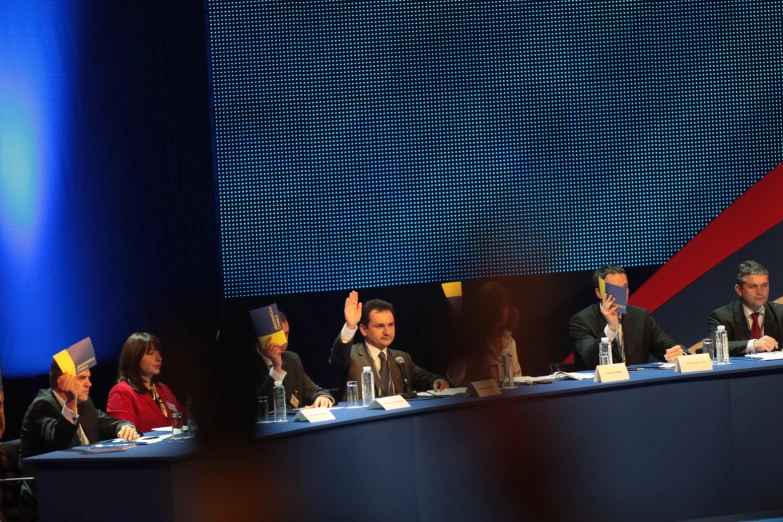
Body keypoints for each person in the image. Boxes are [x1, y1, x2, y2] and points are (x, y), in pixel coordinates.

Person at [19, 361, 138, 521]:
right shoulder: (40, 407)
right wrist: (70, 402)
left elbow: (105, 421)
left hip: (84, 485)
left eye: (88, 377)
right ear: (62, 381)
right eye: (82, 378)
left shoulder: (85, 404)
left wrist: (124, 426)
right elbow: (58, 441)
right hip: (50, 494)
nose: (89, 383)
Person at [330, 292, 449, 400]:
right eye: (380, 326)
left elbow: (425, 377)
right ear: (364, 329)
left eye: (391, 325)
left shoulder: (401, 358)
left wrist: (437, 381)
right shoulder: (352, 355)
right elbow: (338, 358)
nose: (387, 332)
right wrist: (350, 326)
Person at [569, 265, 686, 369]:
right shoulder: (581, 321)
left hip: (636, 387)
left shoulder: (640, 316)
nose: (622, 294)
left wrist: (680, 354)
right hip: (599, 388)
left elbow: (668, 347)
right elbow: (591, 362)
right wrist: (611, 328)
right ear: (599, 293)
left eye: (625, 287)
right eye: (615, 289)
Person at [107, 332, 186, 433]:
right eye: (151, 353)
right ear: (134, 358)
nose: (159, 358)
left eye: (158, 352)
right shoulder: (121, 392)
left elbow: (186, 419)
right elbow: (126, 434)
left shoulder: (163, 389)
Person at [447, 281, 522, 386]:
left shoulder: (509, 341)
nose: (501, 312)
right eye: (494, 307)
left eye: (504, 306)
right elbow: (455, 379)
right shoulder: (471, 342)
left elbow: (518, 377)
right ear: (484, 310)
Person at [254, 311, 334, 409]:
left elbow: (312, 390)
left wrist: (321, 397)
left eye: (286, 334)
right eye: (279, 336)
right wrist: (276, 368)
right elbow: (260, 407)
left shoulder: (292, 359)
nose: (285, 341)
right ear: (261, 338)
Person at [707, 260, 783, 355]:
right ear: (739, 290)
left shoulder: (780, 313)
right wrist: (752, 345)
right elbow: (713, 346)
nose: (760, 291)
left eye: (764, 285)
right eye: (753, 286)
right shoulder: (722, 316)